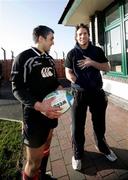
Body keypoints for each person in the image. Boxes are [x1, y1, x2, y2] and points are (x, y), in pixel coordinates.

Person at [11, 25, 63, 180]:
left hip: (51, 114)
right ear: (41, 38)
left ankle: (42, 176)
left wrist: (61, 90)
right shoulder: (23, 58)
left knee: (46, 148)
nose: (53, 42)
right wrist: (40, 106)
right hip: (34, 118)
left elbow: (54, 83)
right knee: (33, 163)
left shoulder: (50, 59)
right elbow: (17, 89)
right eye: (51, 38)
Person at [65, 23, 117, 171]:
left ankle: (102, 146)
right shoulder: (71, 54)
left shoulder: (97, 51)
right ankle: (78, 153)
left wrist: (92, 63)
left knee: (99, 123)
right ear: (76, 36)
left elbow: (107, 67)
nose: (82, 36)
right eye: (80, 34)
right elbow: (68, 73)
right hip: (79, 94)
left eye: (85, 33)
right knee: (77, 126)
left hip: (96, 93)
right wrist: (79, 82)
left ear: (89, 35)